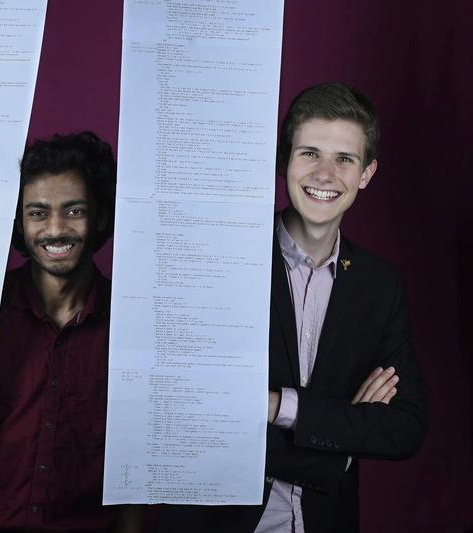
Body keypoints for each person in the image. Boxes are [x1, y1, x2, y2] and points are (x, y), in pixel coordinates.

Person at [155, 82, 429, 532]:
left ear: (367, 173)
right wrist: (337, 447)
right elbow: (192, 417)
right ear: (284, 160)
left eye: (345, 159)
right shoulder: (216, 262)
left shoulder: (381, 287)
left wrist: (277, 405)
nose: (325, 174)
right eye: (309, 154)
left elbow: (406, 427)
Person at [0, 132, 141, 532]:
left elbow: (137, 469)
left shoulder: (135, 324)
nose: (55, 229)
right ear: (19, 223)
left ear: (101, 217)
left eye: (73, 211)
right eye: (38, 212)